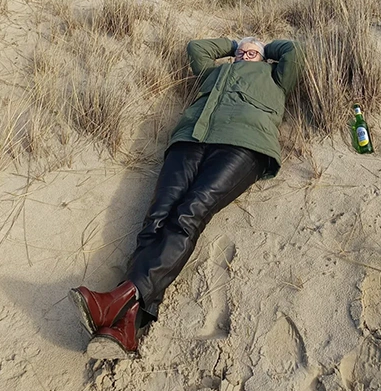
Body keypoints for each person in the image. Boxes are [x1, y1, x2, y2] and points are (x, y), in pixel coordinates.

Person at [69, 35, 303, 359]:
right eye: (243, 50)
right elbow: (197, 49)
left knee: (189, 213)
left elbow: (292, 52)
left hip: (242, 146)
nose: (248, 50)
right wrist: (234, 44)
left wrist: (265, 50)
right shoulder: (215, 72)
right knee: (156, 219)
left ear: (265, 58)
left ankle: (119, 299)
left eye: (255, 50)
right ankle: (126, 327)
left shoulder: (275, 76)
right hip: (190, 141)